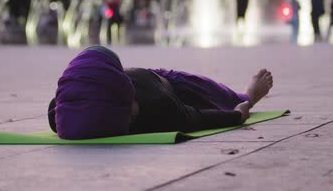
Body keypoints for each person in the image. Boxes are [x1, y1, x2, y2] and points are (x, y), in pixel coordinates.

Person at [47, 46, 273, 140]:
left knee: (223, 95)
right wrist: (236, 115)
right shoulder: (161, 109)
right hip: (159, 84)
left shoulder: (158, 103)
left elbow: (195, 117)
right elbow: (197, 118)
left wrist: (237, 112)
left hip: (163, 80)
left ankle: (247, 94)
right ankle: (248, 95)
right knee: (231, 101)